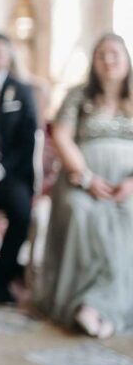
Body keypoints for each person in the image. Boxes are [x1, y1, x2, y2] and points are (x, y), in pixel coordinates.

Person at [34, 33, 133, 338]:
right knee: (81, 213)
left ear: (127, 59)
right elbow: (62, 136)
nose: (109, 60)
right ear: (94, 63)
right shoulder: (78, 96)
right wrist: (88, 178)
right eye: (102, 55)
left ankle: (101, 306)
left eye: (115, 54)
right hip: (82, 181)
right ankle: (84, 303)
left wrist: (131, 182)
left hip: (126, 184)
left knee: (127, 216)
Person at [0, 33, 39, 304]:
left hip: (9, 175)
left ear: (8, 57)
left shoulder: (21, 91)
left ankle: (3, 278)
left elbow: (26, 141)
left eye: (0, 52)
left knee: (22, 212)